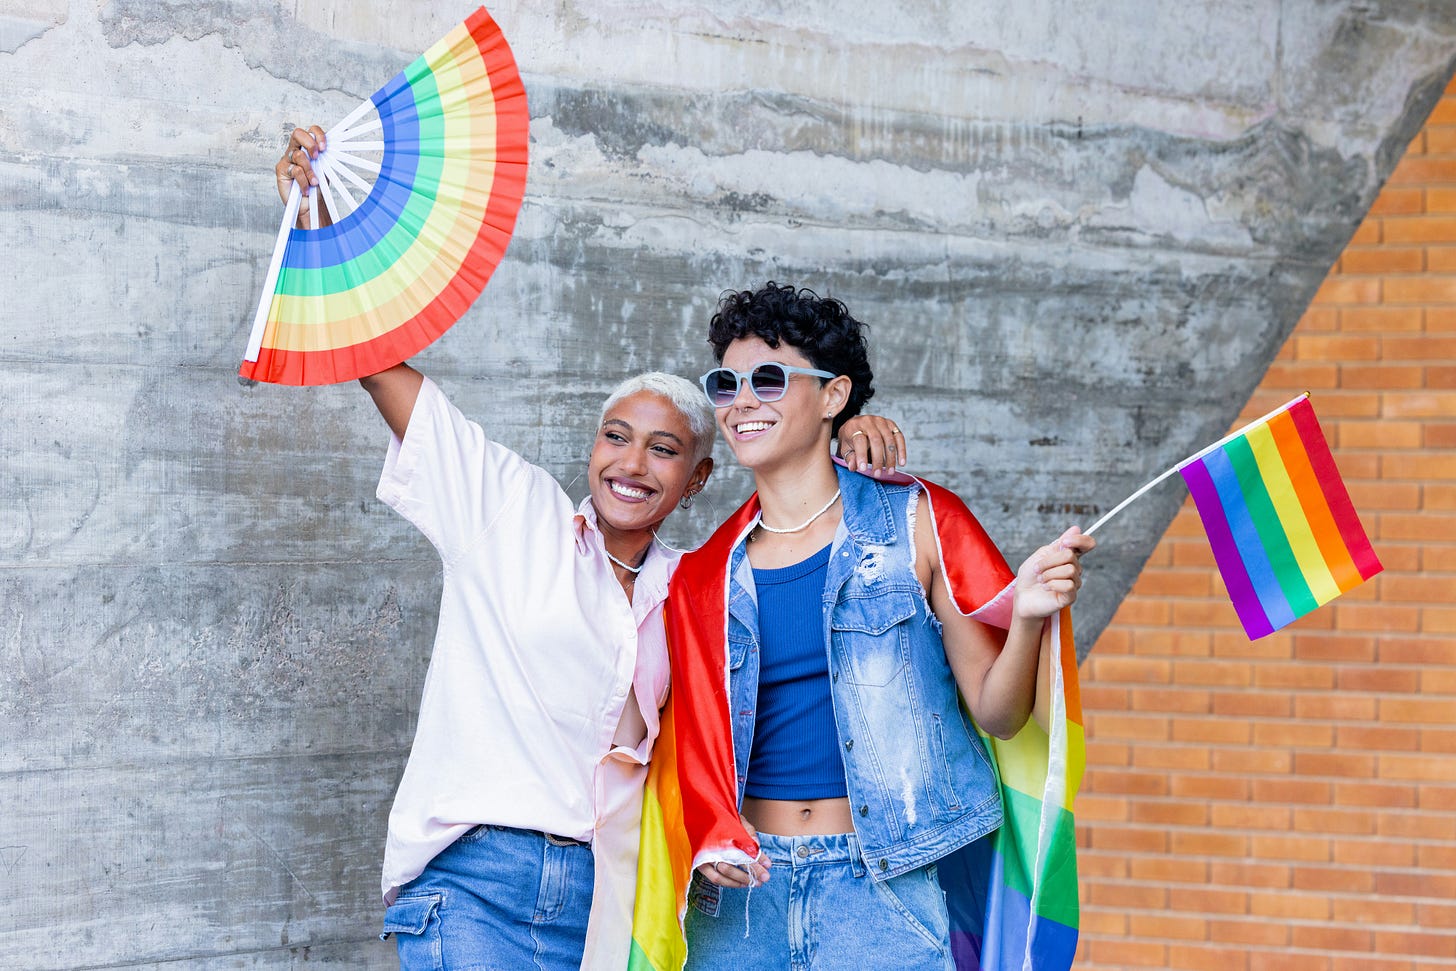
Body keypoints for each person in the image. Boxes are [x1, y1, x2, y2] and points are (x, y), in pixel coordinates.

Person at [271, 132, 907, 969]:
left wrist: (843, 427)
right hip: (472, 889)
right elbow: (379, 366)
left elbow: (801, 517)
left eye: (663, 449)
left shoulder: (707, 586)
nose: (632, 463)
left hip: (614, 907)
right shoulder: (508, 511)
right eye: (616, 437)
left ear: (700, 476)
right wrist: (314, 218)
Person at [671, 283, 1096, 970]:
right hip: (746, 898)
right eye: (726, 384)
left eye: (770, 379)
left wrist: (1024, 618)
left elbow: (1000, 711)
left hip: (889, 889)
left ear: (834, 396)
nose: (742, 401)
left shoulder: (919, 522)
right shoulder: (706, 575)